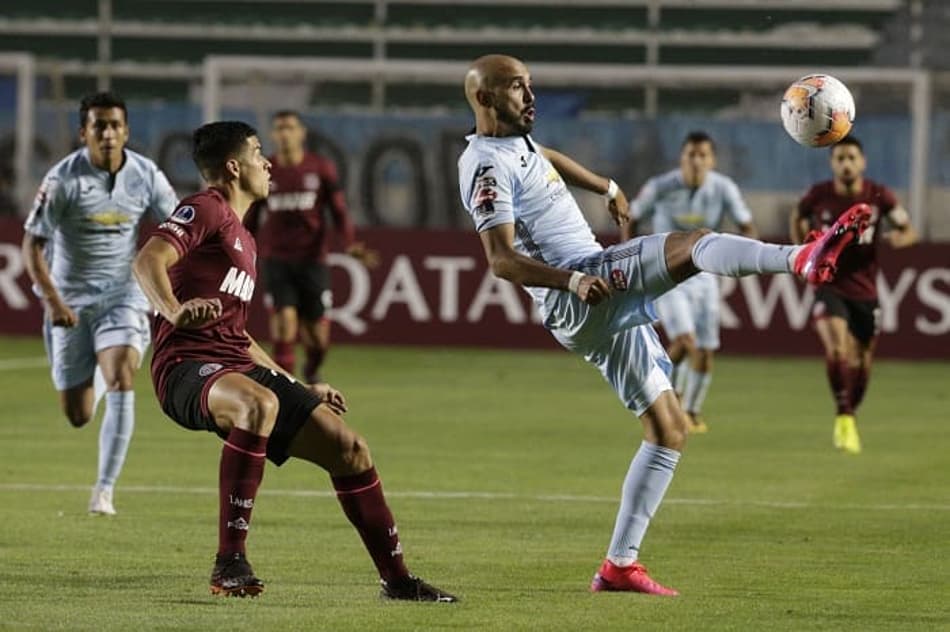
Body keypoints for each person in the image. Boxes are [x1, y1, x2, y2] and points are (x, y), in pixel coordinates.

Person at [458, 54, 870, 596]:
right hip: (582, 286)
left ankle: (619, 566)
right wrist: (572, 282)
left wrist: (604, 186)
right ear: (485, 99)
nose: (530, 96)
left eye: (530, 85)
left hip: (591, 296)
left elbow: (545, 158)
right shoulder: (485, 167)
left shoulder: (517, 145)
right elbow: (502, 260)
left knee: (669, 428)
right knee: (691, 245)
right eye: (517, 88)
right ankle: (801, 258)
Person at [132, 121, 456, 601]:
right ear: (234, 166)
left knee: (350, 449)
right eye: (258, 152)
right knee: (257, 404)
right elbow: (147, 261)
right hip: (185, 368)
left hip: (233, 365)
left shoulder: (244, 237)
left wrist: (297, 383)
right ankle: (230, 562)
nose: (268, 163)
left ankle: (398, 580)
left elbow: (238, 336)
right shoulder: (206, 207)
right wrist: (175, 311)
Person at [21, 91, 178, 515]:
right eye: (98, 126)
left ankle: (104, 491)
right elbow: (31, 247)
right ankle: (98, 375)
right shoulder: (62, 180)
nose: (107, 133)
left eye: (114, 125)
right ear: (83, 133)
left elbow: (179, 228)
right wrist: (52, 300)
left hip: (122, 295)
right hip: (68, 300)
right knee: (78, 414)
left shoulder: (146, 176)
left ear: (126, 131)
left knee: (123, 373)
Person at [790, 136, 917, 454]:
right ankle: (844, 414)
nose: (846, 164)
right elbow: (797, 216)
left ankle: (849, 413)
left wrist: (901, 238)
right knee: (837, 350)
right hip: (829, 285)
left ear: (862, 162)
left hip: (866, 290)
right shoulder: (819, 195)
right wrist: (802, 253)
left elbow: (906, 228)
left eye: (851, 158)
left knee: (862, 359)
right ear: (832, 163)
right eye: (840, 158)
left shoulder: (879, 196)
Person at [628, 131, 758, 433]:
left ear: (711, 160)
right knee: (685, 341)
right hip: (667, 276)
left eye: (703, 155)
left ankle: (692, 411)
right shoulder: (660, 187)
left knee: (706, 350)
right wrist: (630, 258)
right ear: (682, 158)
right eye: (691, 155)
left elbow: (747, 225)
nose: (697, 161)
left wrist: (748, 256)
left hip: (704, 277)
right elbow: (632, 217)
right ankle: (662, 396)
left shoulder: (724, 188)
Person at [244, 111, 376, 383]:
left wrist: (349, 244)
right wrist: (240, 249)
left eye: (290, 128)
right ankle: (287, 392)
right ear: (272, 134)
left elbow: (338, 211)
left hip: (312, 260)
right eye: (279, 128)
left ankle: (312, 370)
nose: (284, 134)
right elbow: (253, 218)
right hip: (277, 258)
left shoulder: (320, 168)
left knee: (317, 338)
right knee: (285, 326)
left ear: (301, 133)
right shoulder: (266, 170)